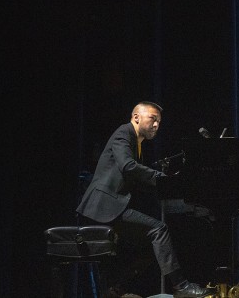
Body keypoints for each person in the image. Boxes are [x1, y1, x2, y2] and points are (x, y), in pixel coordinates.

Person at [76, 101, 207, 298]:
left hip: (112, 206)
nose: (156, 125)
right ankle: (181, 286)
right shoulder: (124, 133)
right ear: (136, 117)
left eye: (159, 122)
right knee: (158, 229)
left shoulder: (137, 144)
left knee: (153, 245)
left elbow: (136, 178)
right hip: (103, 206)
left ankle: (116, 288)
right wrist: (160, 178)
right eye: (152, 119)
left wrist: (173, 188)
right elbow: (128, 167)